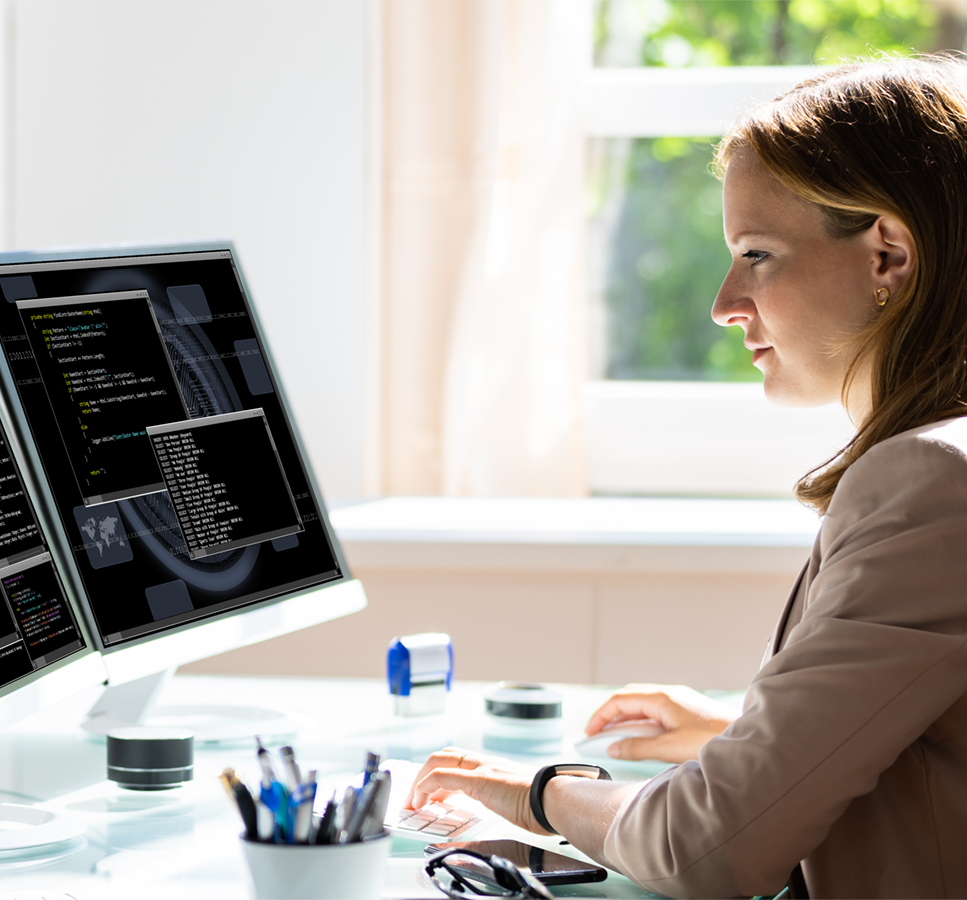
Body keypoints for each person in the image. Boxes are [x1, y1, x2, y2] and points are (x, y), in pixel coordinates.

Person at [406, 56, 967, 900]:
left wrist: (540, 794)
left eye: (757, 254)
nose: (723, 300)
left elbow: (708, 849)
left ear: (887, 254)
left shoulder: (930, 482)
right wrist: (739, 734)